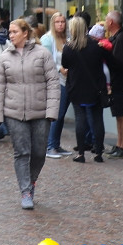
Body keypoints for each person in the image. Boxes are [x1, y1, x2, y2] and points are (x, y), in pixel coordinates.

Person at [0, 19, 60, 210]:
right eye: (10, 32)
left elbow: (53, 83)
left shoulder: (42, 54)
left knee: (38, 153)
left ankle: (32, 181)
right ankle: (25, 191)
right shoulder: (5, 57)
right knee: (22, 153)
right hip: (14, 113)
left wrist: (52, 111)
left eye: (14, 32)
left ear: (25, 33)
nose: (10, 35)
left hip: (40, 112)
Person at [62, 16, 111, 164]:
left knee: (80, 119)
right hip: (95, 87)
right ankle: (99, 152)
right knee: (97, 120)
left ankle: (81, 153)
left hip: (77, 87)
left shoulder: (69, 48)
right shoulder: (96, 46)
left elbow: (65, 64)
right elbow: (106, 61)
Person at [103, 11, 123, 158]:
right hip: (118, 82)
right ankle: (119, 144)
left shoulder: (122, 39)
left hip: (120, 82)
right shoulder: (119, 37)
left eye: (106, 20)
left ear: (111, 22)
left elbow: (120, 63)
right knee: (118, 114)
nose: (104, 22)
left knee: (122, 114)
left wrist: (106, 54)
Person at [40, 13, 72, 156]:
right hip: (55, 80)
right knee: (56, 113)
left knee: (61, 114)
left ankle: (56, 144)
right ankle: (50, 146)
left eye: (62, 22)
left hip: (67, 80)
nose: (60, 24)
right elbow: (45, 60)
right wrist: (59, 69)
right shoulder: (48, 39)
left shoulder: (67, 38)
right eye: (57, 22)